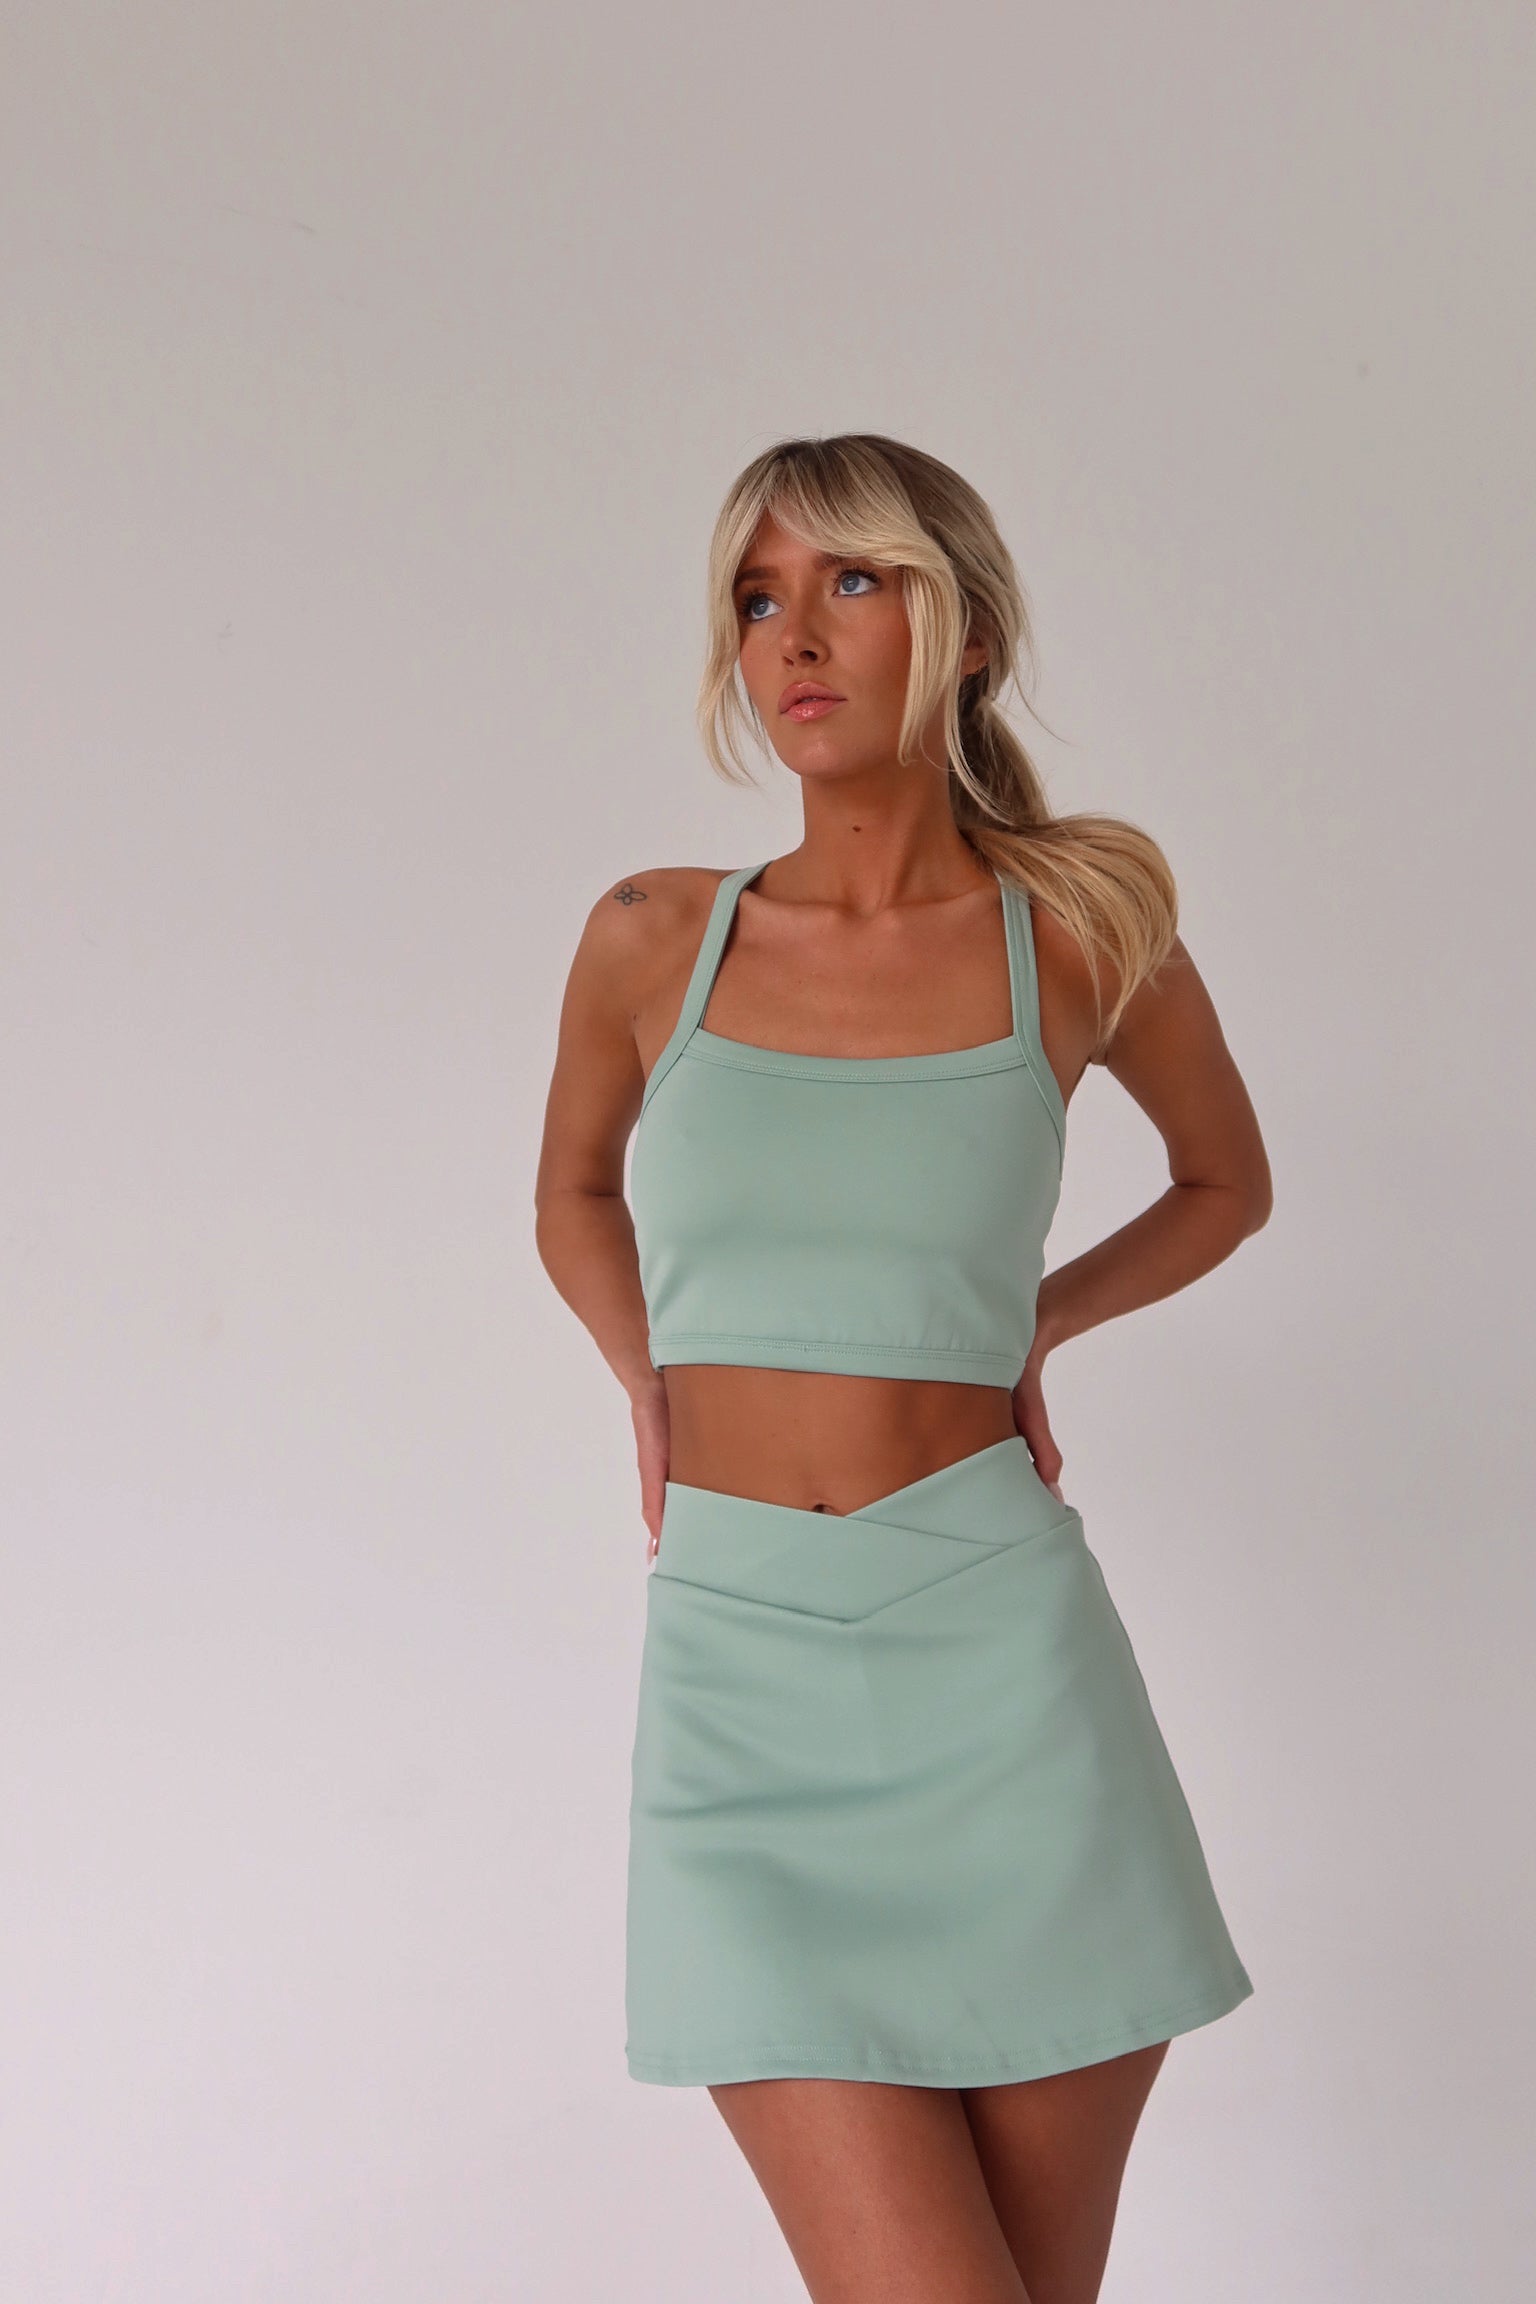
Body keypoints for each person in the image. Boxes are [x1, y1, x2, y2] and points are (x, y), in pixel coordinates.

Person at [534, 433, 1271, 2304]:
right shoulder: (652, 938)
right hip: (739, 1683)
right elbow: (572, 1192)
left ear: (965, 627)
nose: (793, 635)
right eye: (758, 597)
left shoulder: (1078, 935)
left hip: (1005, 1679)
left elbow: (1226, 1182)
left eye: (851, 580)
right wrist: (646, 1379)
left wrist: (1037, 1321)